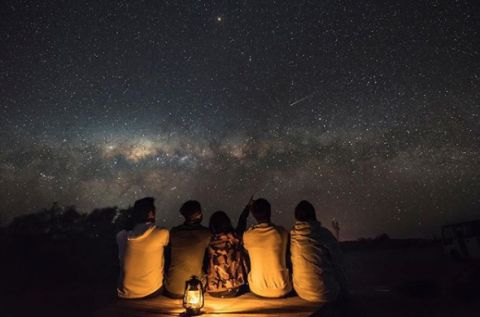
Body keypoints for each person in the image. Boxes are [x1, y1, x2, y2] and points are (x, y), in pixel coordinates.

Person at [290, 200, 347, 303]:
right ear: (313, 215)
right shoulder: (323, 234)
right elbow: (339, 258)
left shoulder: (292, 236)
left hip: (301, 291)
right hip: (326, 293)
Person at [116, 197, 169, 299]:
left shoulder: (121, 236)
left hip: (125, 293)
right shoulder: (162, 233)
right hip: (152, 291)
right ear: (150, 213)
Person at [243, 198, 292, 298]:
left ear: (254, 215)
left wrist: (246, 210)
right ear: (270, 212)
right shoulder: (282, 232)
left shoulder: (248, 235)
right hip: (283, 289)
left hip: (257, 289)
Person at [164, 200, 211, 298]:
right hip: (195, 289)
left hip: (172, 289)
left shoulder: (173, 232)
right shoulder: (206, 233)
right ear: (198, 214)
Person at [206, 209, 249, 297]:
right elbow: (242, 223)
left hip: (212, 290)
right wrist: (247, 209)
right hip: (234, 289)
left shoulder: (207, 240)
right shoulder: (234, 238)